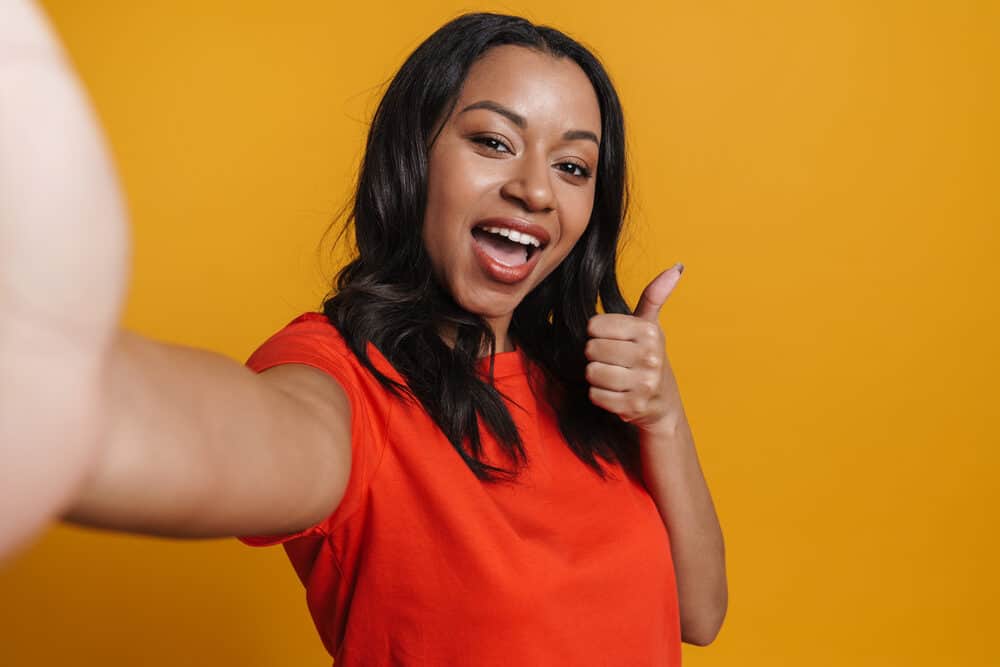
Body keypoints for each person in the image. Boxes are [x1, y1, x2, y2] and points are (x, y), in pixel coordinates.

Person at [1, 4, 726, 664]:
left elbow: (698, 611)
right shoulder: (346, 379)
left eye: (572, 166)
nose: (536, 190)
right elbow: (252, 437)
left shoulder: (583, 386)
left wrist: (663, 413)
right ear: (415, 156)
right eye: (493, 141)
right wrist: (59, 386)